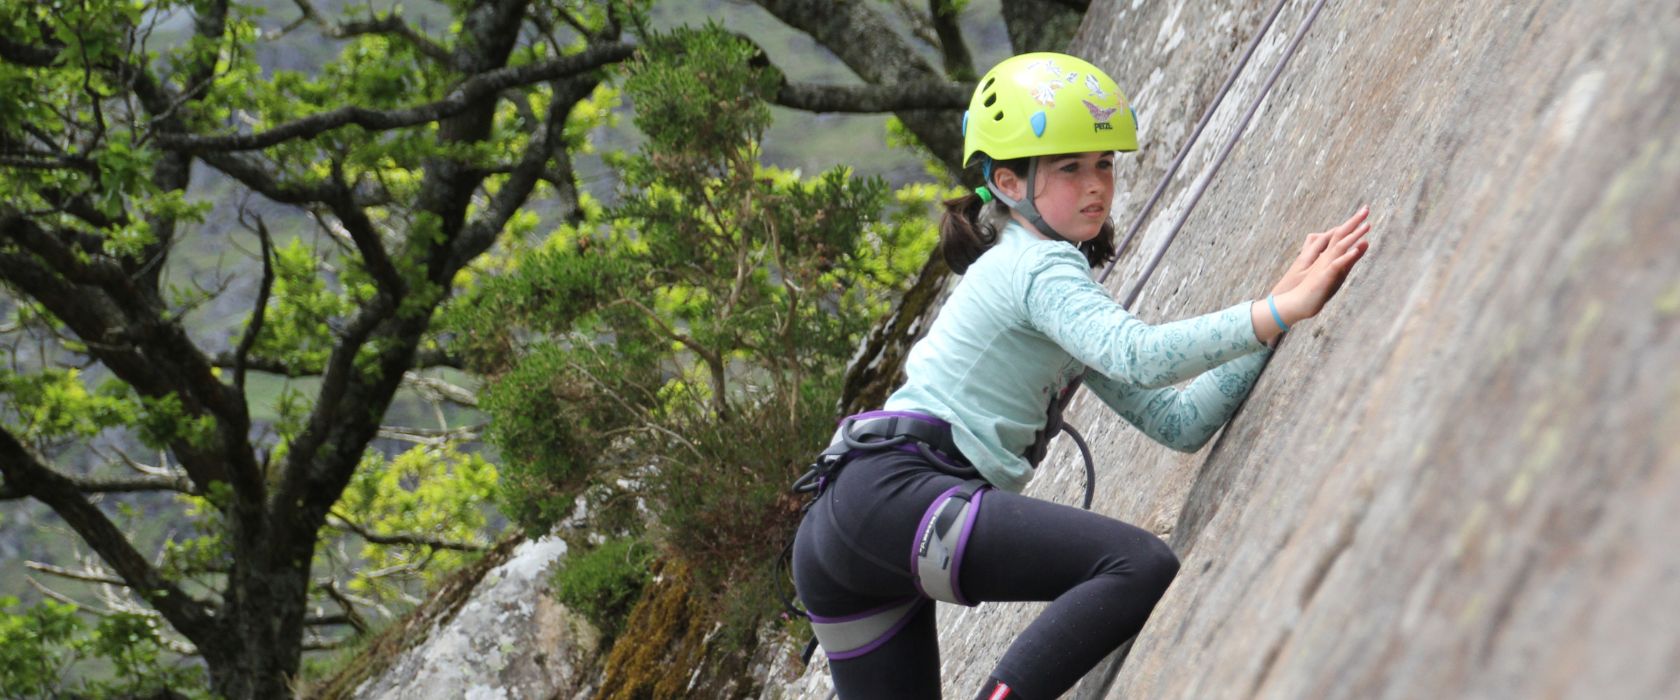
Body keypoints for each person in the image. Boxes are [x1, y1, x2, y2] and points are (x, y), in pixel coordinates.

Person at [790, 52, 1371, 700]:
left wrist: (1271, 325)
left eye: (1104, 164)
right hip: (892, 496)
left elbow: (1176, 422)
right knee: (1135, 565)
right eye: (1070, 167)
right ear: (1008, 183)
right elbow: (1140, 355)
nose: (1096, 184)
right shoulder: (1038, 268)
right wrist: (1274, 309)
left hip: (845, 528)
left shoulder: (1036, 277)